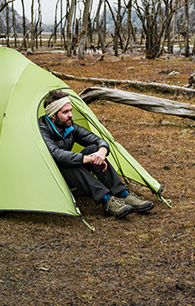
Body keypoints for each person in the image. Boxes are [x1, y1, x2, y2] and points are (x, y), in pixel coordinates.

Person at [39, 89, 154, 219]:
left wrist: (101, 152)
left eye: (70, 110)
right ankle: (106, 200)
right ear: (53, 115)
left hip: (72, 173)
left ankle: (123, 194)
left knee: (93, 148)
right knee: (65, 161)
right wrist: (87, 159)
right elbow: (56, 154)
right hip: (52, 178)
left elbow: (98, 140)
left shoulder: (69, 126)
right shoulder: (42, 129)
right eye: (65, 112)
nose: (70, 115)